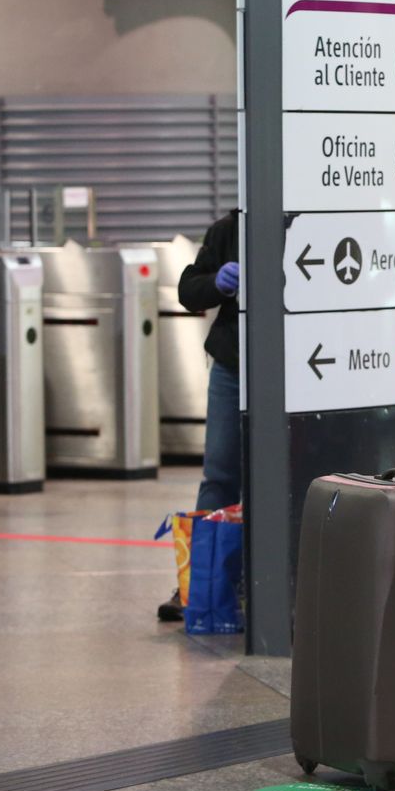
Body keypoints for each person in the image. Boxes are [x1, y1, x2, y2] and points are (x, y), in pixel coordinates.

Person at [158, 209, 241, 623]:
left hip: (295, 370)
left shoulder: (307, 222)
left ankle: (262, 583)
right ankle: (199, 584)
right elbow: (189, 290)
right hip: (233, 366)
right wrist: (216, 284)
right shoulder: (229, 229)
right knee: (220, 474)